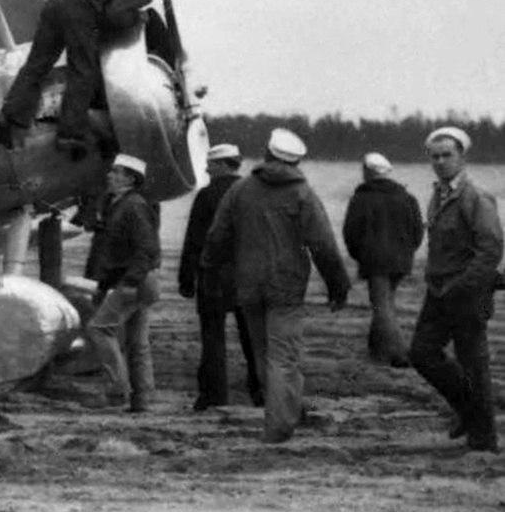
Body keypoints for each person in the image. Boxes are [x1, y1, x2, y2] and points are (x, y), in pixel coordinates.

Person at [201, 128, 349, 443]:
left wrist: (211, 271)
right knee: (283, 355)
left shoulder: (240, 190)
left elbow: (217, 236)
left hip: (249, 285)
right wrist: (338, 283)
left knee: (262, 353)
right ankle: (280, 424)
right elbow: (322, 243)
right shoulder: (302, 194)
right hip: (287, 286)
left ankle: (284, 412)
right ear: (297, 162)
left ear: (266, 154)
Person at [0, 0, 186, 158]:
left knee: (36, 66)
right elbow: (114, 14)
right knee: (83, 72)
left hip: (58, 1)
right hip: (80, 11)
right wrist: (136, 16)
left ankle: (10, 117)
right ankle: (70, 134)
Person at [408, 127, 502, 454]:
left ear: (462, 157)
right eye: (435, 156)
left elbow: (490, 250)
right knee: (421, 353)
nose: (441, 161)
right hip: (439, 292)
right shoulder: (439, 194)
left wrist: (464, 287)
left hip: (465, 294)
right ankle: (468, 411)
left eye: (447, 155)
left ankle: (485, 440)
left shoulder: (476, 198)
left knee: (474, 363)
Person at [179, 143, 262, 410]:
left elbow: (194, 240)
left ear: (223, 164)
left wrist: (186, 278)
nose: (206, 168)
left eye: (210, 164)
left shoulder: (206, 195)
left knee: (213, 338)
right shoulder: (254, 193)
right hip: (248, 275)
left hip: (212, 276)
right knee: (252, 339)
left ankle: (214, 396)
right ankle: (262, 395)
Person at [83, 153, 161, 412]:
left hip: (133, 281)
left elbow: (147, 248)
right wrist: (104, 286)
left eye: (115, 172)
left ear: (130, 178)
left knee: (99, 329)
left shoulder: (132, 206)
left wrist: (129, 282)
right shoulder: (119, 204)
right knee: (138, 343)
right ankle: (143, 400)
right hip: (139, 281)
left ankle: (117, 391)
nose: (109, 175)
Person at [341, 151, 424, 366]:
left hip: (374, 260)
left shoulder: (360, 198)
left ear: (367, 172)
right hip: (401, 260)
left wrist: (359, 255)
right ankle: (377, 349)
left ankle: (399, 354)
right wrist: (408, 252)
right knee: (385, 303)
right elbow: (418, 232)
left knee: (381, 305)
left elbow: (350, 233)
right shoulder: (407, 198)